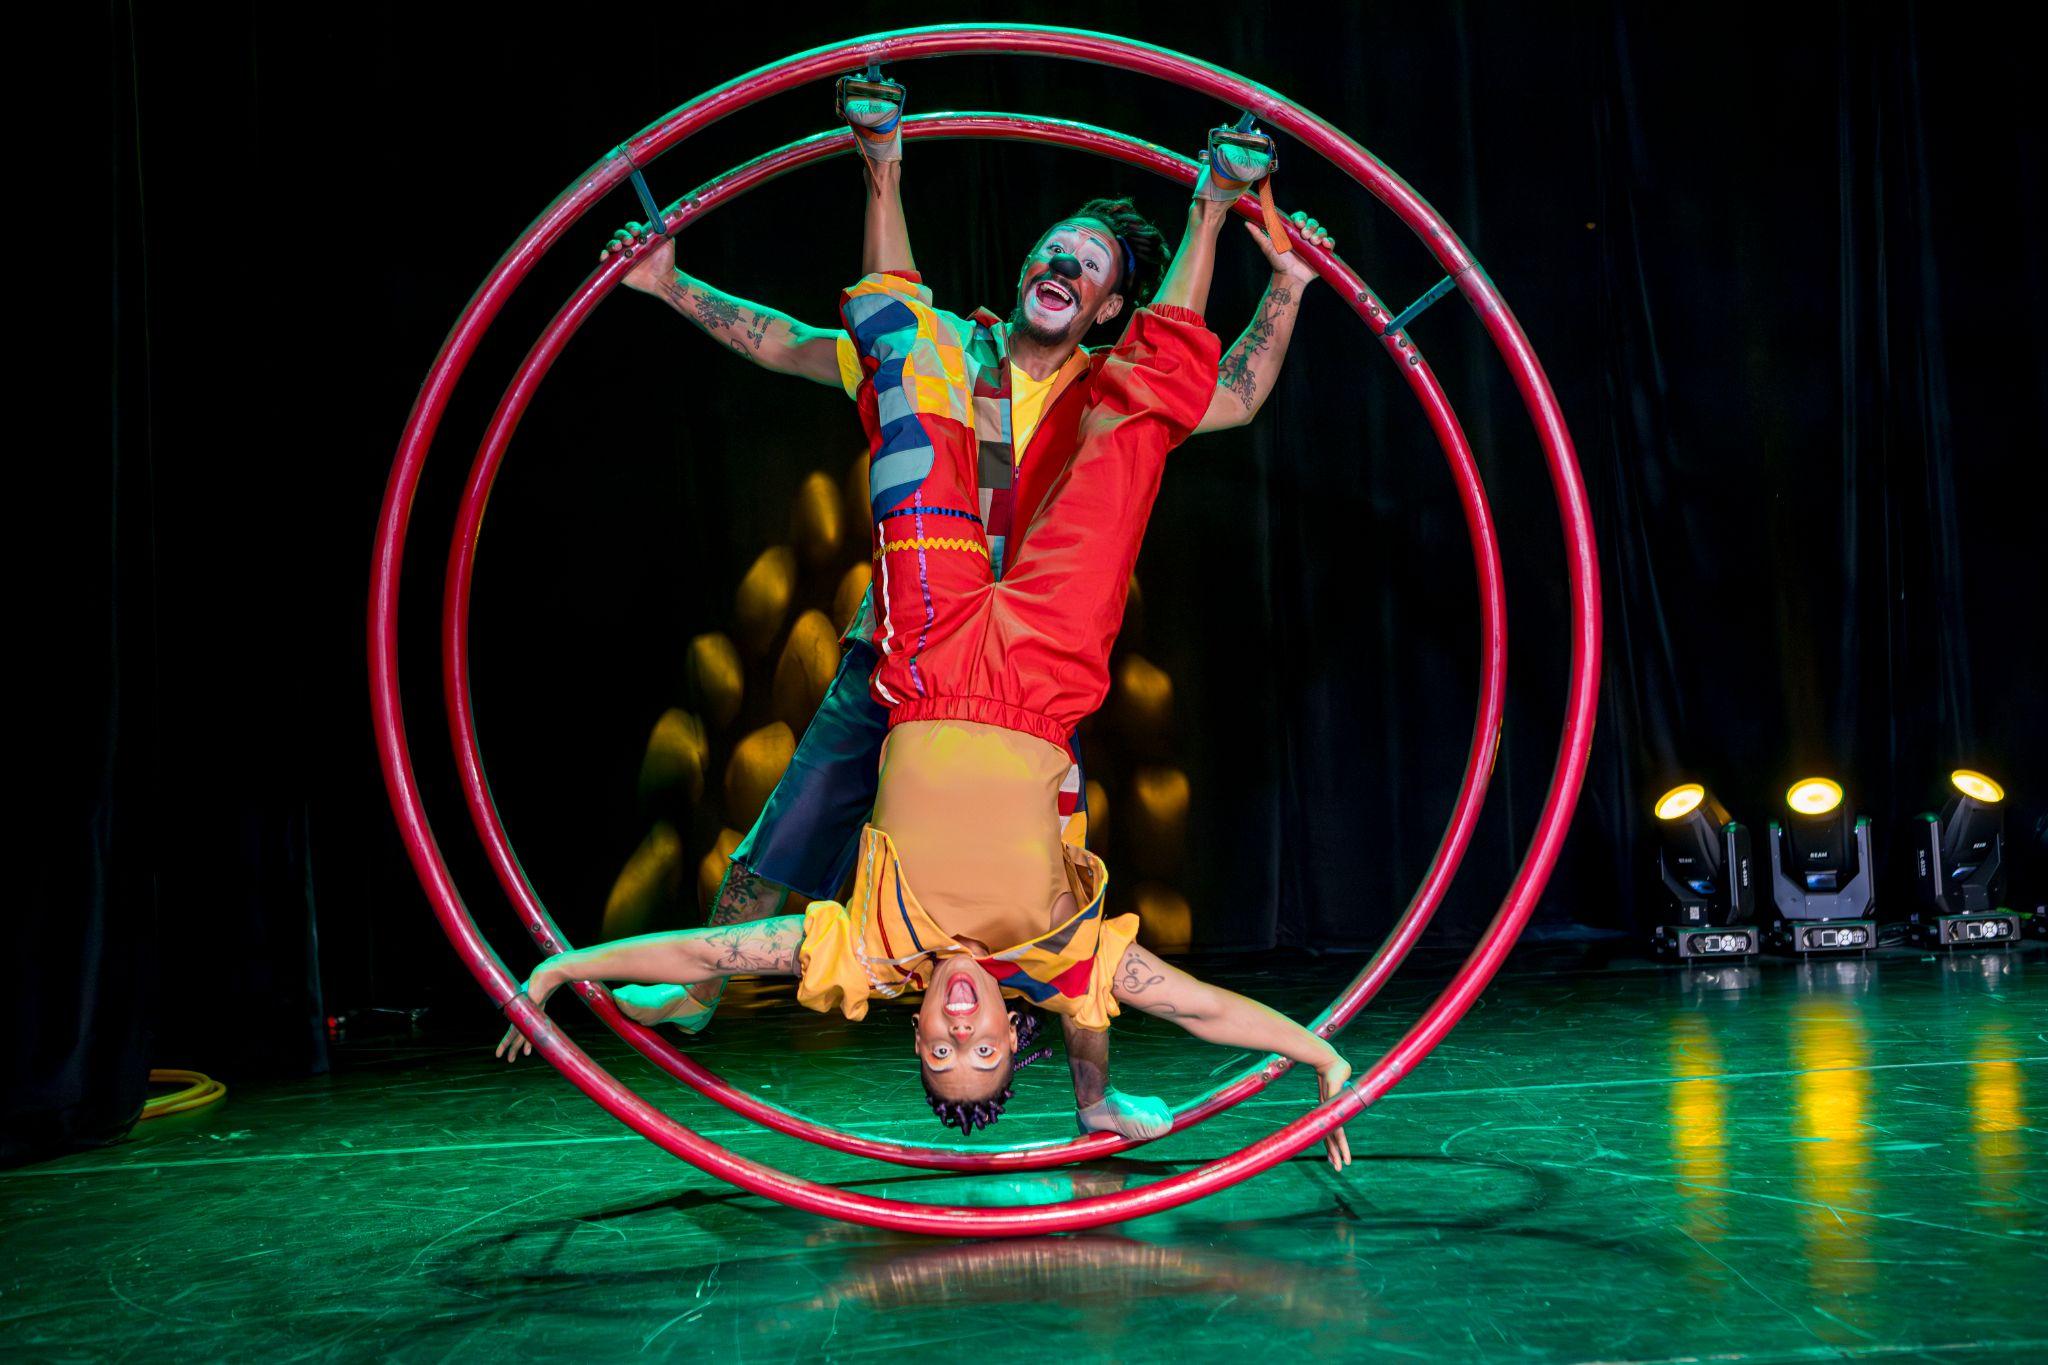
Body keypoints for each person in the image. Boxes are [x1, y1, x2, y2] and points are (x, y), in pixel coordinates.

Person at [499, 105, 1353, 1170]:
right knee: (789, 823)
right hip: (929, 646)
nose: (1063, 263)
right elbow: (802, 345)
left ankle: (1088, 1102)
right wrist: (670, 286)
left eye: (1086, 265)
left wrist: (1287, 283)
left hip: (1002, 656)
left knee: (1134, 421)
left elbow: (1221, 391)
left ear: (1106, 306)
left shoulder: (1098, 384)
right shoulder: (958, 351)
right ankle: (699, 998)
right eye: (1055, 249)